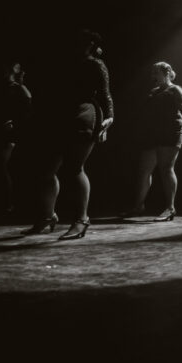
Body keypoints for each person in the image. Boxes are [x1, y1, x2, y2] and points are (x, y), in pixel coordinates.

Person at [25, 30, 114, 240]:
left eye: (81, 41)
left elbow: (105, 93)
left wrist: (110, 117)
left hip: (84, 116)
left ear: (91, 44)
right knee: (46, 170)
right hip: (61, 117)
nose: (76, 44)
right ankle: (47, 216)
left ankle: (81, 220)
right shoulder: (65, 62)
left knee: (74, 168)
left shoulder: (95, 64)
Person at [123, 62, 182, 221]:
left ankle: (170, 208)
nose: (153, 76)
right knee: (144, 170)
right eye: (152, 73)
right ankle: (138, 206)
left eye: (156, 73)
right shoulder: (153, 92)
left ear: (166, 73)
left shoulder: (175, 90)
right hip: (154, 134)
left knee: (166, 168)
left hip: (172, 131)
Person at [0, 61, 32, 213]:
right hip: (3, 132)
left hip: (12, 134)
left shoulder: (19, 89)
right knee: (1, 167)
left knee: (4, 166)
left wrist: (15, 124)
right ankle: (7, 203)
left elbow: (28, 111)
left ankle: (9, 203)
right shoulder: (5, 88)